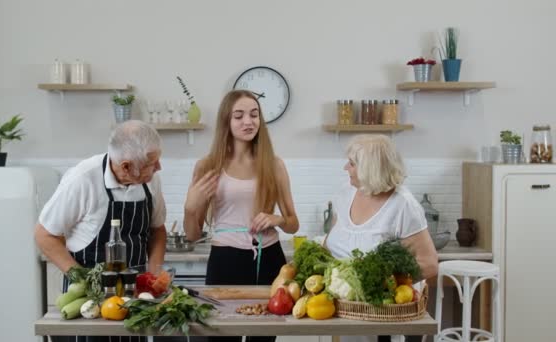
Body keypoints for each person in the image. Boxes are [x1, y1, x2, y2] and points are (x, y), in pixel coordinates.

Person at [183, 89, 299, 342]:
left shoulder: (274, 164)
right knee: (220, 336)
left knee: (264, 337)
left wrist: (276, 219)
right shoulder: (208, 165)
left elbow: (293, 224)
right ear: (226, 120)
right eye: (239, 116)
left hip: (269, 258)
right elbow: (192, 234)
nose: (248, 122)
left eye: (254, 115)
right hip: (225, 260)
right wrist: (190, 207)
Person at [35, 120, 167, 342]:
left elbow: (158, 231)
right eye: (151, 163)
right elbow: (44, 235)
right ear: (125, 166)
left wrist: (152, 279)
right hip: (88, 301)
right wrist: (84, 281)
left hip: (132, 301)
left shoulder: (150, 181)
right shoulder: (83, 179)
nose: (158, 167)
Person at [325, 134, 438, 342]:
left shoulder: (403, 205)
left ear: (371, 169)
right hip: (344, 312)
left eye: (351, 164)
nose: (345, 168)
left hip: (384, 317)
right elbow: (331, 241)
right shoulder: (346, 193)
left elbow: (429, 265)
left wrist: (378, 284)